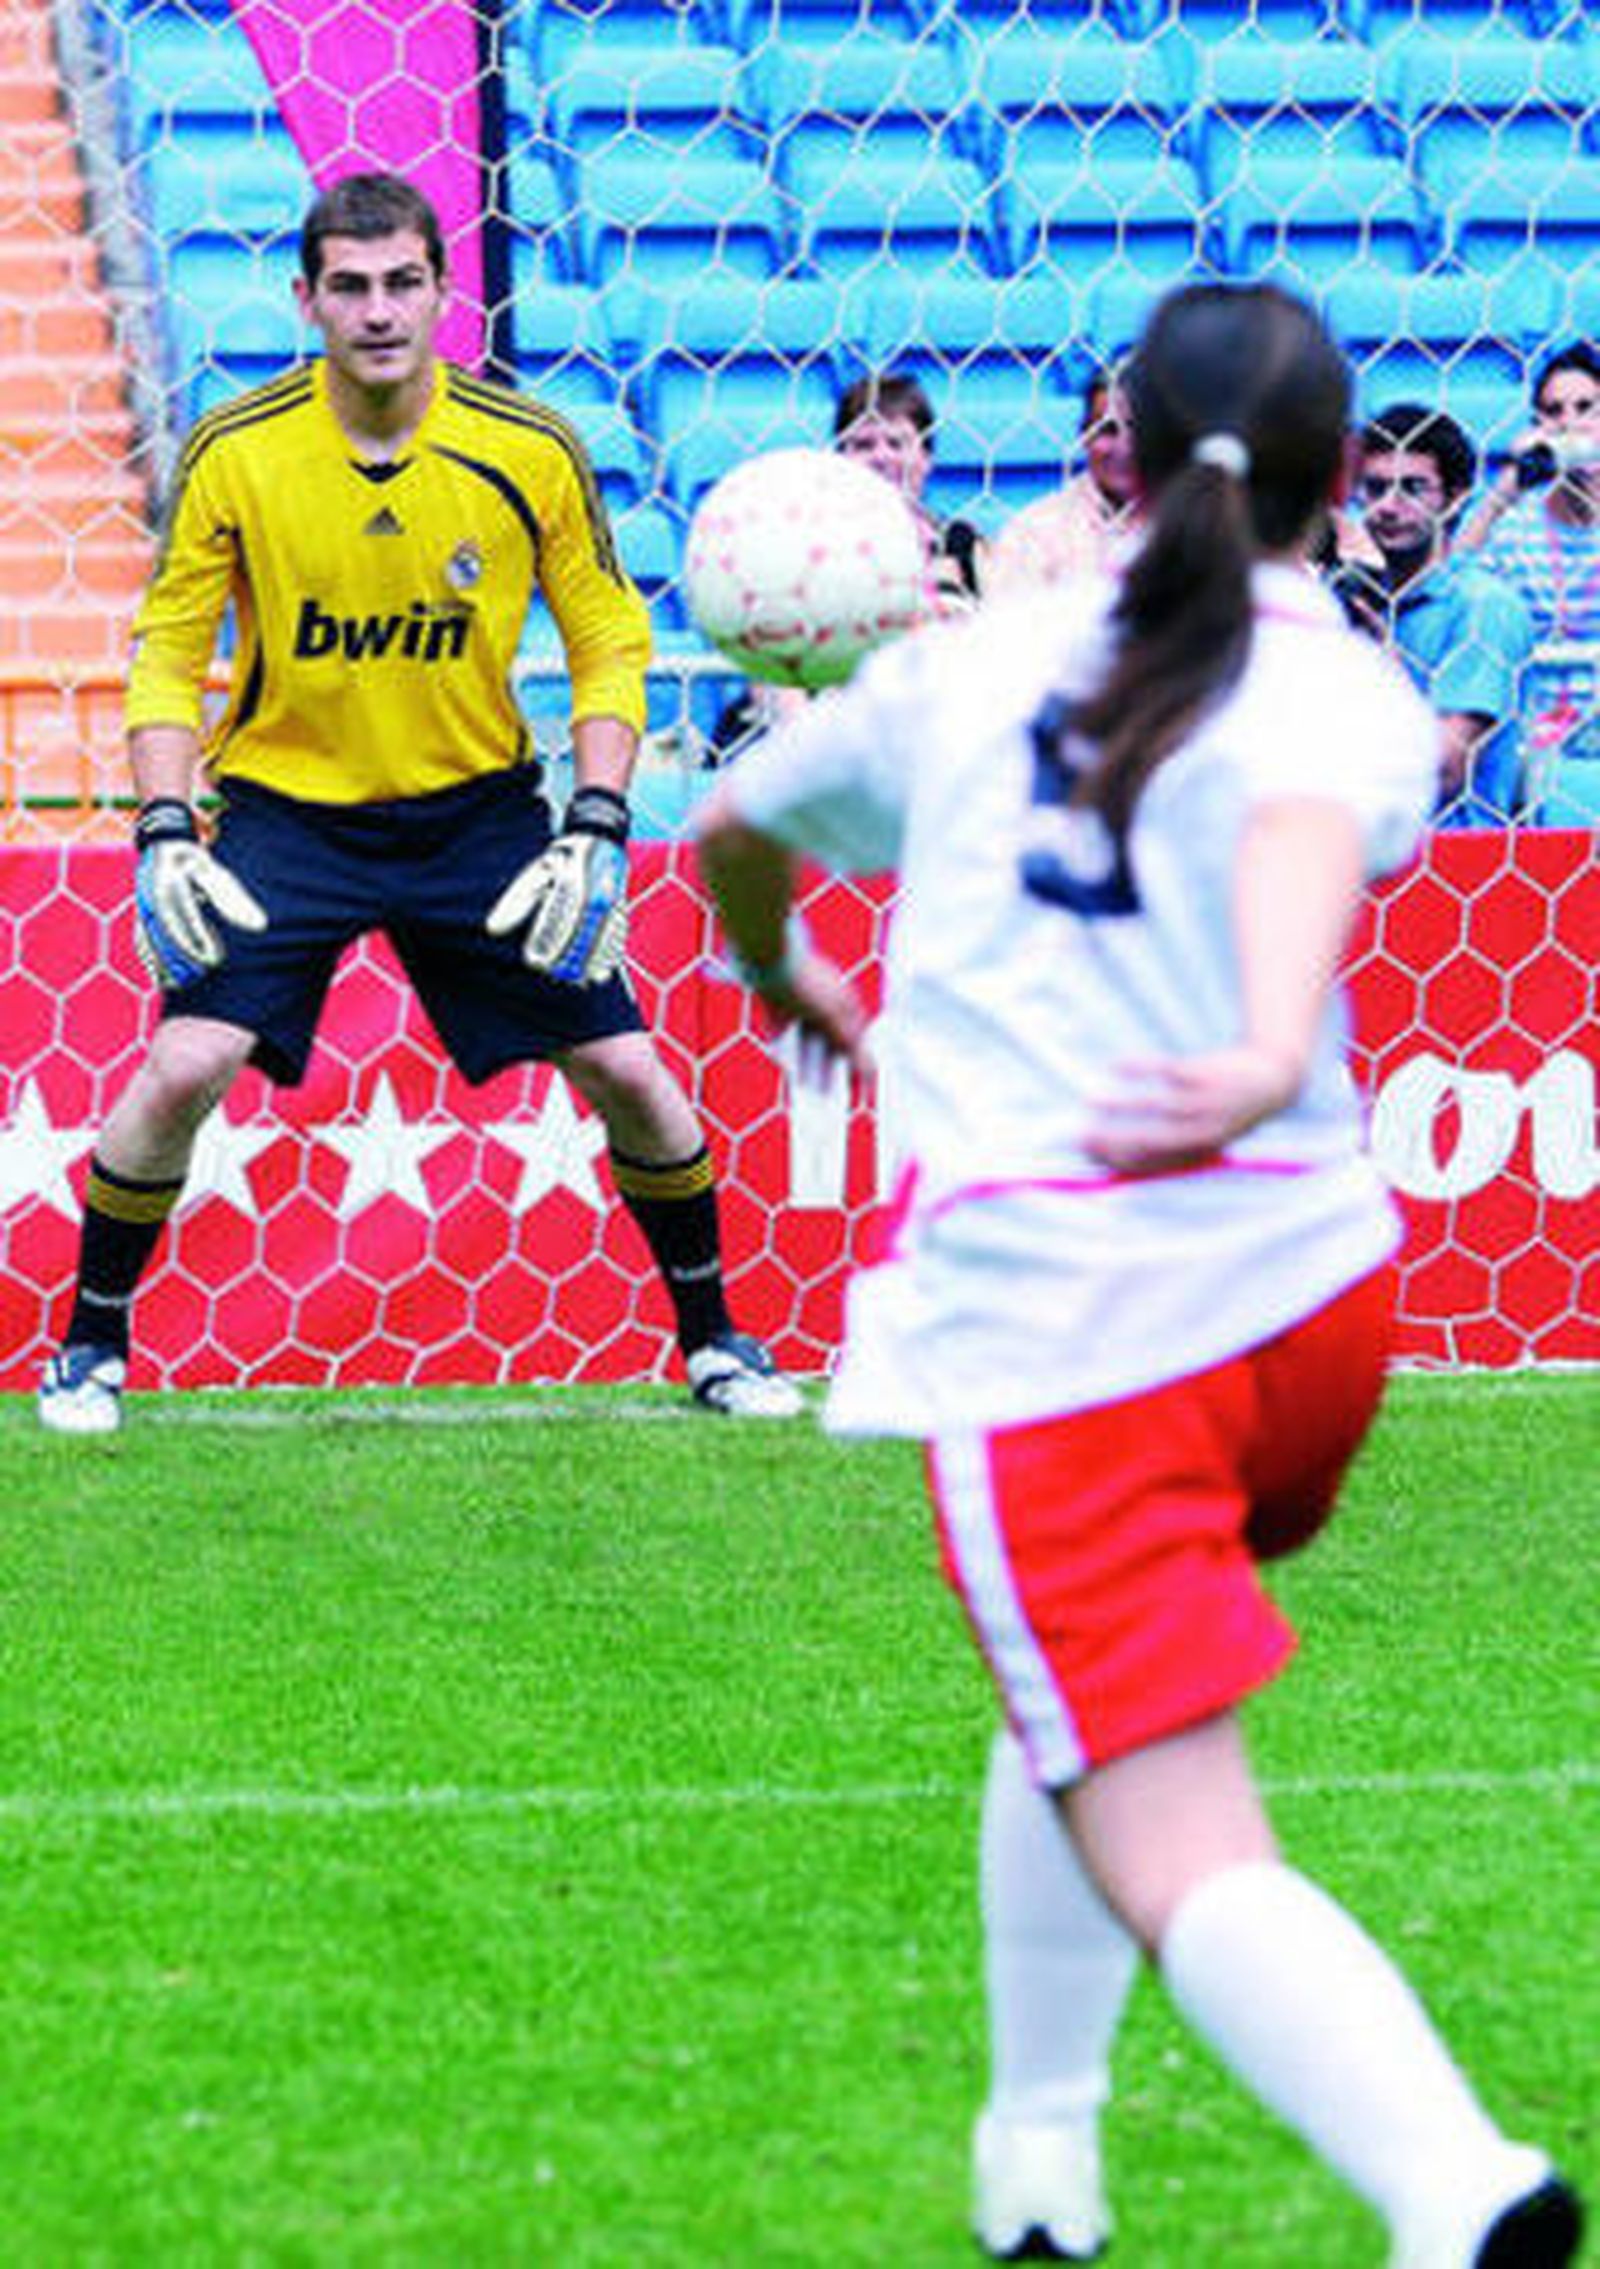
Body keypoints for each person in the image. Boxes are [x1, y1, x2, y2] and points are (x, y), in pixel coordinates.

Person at [694, 281, 1581, 2265]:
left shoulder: (974, 668)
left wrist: (784, 973)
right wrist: (1268, 1045)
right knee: (1084, 1702)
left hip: (1067, 1316)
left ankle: (1457, 2190)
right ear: (1336, 482)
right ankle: (1038, 2157)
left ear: (1121, 451)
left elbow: (733, 822)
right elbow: (1290, 817)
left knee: (1173, 1819)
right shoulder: (1349, 685)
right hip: (1309, 1302)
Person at [38, 170, 801, 1434]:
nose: (379, 310)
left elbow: (609, 634)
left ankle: (717, 1340)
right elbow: (168, 651)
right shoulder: (238, 449)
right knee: (184, 1065)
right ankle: (89, 1348)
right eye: (351, 286)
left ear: (446, 293)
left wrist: (597, 821)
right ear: (306, 299)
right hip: (288, 816)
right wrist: (164, 825)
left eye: (403, 282)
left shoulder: (528, 447)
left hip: (476, 818)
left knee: (627, 1066)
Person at [707, 369, 981, 763]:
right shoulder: (803, 542)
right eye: (863, 444)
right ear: (839, 459)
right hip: (814, 732)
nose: (882, 457)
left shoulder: (958, 542)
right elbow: (769, 667)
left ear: (926, 457)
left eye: (897, 443)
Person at [1331, 404, 1536, 826]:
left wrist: (1383, 665)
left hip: (1454, 852)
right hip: (1356, 847)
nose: (1388, 507)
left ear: (1456, 498)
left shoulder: (1484, 607)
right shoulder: (1351, 601)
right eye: (1375, 488)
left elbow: (1443, 773)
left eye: (1412, 488)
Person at [1456, 341, 1600, 825]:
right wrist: (1506, 488)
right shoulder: (1516, 526)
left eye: (1586, 408)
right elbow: (1451, 588)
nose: (1569, 424)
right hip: (1529, 742)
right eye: (1553, 412)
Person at [984, 364, 1138, 595]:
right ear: (1084, 435)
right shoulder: (1036, 530)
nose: (1124, 447)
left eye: (1138, 429)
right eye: (1108, 430)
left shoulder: (1181, 525)